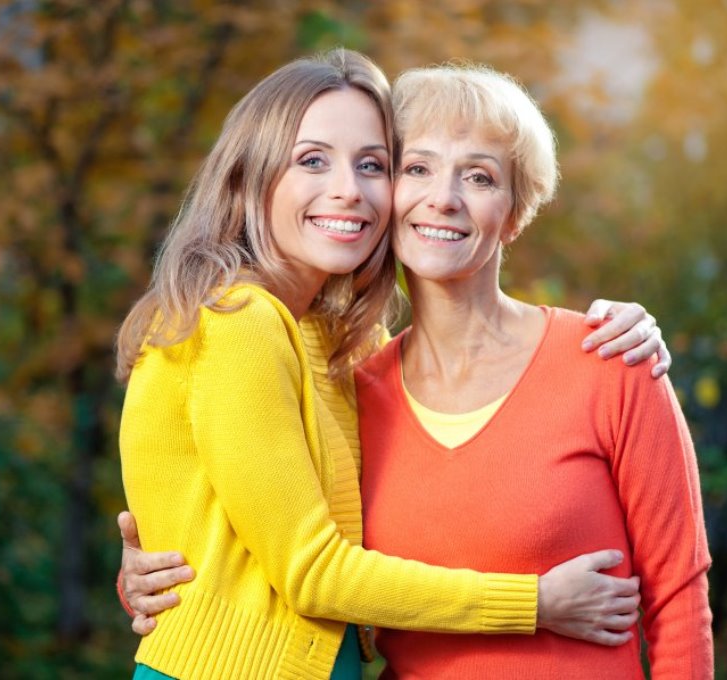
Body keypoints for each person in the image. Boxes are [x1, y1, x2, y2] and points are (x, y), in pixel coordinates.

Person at [117, 49, 672, 680]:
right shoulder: (238, 318)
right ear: (251, 174)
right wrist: (536, 602)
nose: (348, 189)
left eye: (373, 165)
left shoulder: (343, 346)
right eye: (312, 160)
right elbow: (311, 571)